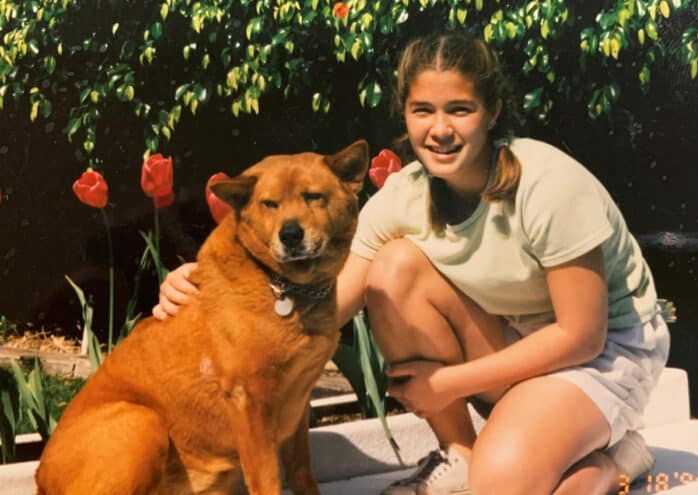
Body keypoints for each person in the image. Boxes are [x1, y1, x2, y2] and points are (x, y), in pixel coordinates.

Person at [153, 32, 669, 495]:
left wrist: (446, 384)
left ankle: (612, 463)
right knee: (394, 267)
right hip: (513, 339)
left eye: (459, 109)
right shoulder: (404, 196)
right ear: (404, 114)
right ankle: (461, 455)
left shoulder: (547, 184)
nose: (440, 129)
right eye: (423, 110)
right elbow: (328, 304)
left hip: (603, 356)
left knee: (504, 485)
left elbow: (582, 336)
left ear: (490, 111)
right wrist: (203, 292)